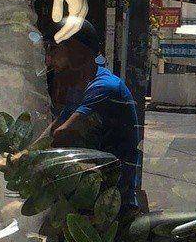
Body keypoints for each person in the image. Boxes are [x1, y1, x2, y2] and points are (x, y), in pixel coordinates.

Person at [47, 21, 142, 212]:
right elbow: (54, 127)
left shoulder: (105, 87)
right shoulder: (80, 87)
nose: (50, 58)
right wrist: (22, 154)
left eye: (56, 49)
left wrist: (31, 161)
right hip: (86, 192)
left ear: (78, 52)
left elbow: (62, 135)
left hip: (110, 203)